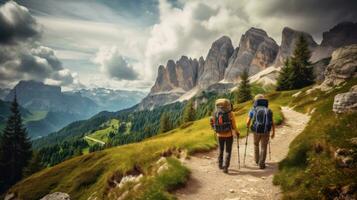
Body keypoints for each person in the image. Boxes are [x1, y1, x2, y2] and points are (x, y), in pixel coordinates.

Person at [210, 99, 240, 173]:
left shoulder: (215, 113)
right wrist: (237, 132)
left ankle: (220, 165)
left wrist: (215, 129)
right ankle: (225, 167)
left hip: (219, 135)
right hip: (229, 134)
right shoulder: (231, 113)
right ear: (227, 105)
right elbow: (234, 125)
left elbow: (212, 122)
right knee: (228, 151)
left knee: (221, 149)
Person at [246, 94, 275, 169]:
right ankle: (261, 164)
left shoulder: (253, 109)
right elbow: (272, 122)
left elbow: (248, 121)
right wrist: (273, 132)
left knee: (256, 144)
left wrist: (248, 126)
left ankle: (256, 160)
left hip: (256, 130)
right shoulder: (268, 110)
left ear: (256, 101)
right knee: (264, 147)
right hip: (266, 131)